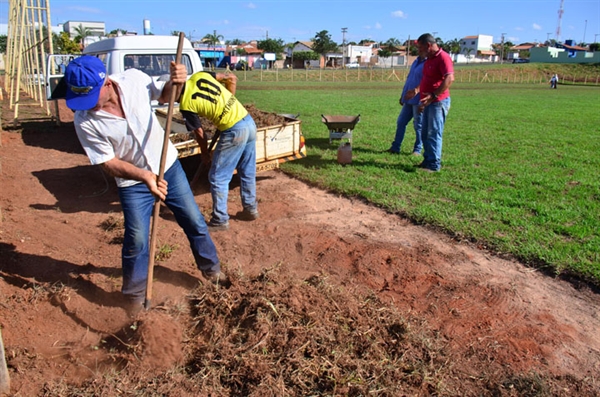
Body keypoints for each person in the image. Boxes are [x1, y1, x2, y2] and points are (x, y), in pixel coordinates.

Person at [64, 55, 222, 313]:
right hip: (131, 182)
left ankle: (212, 271)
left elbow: (165, 95)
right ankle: (135, 296)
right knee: (136, 238)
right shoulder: (84, 121)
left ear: (106, 84)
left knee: (194, 220)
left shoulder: (134, 80)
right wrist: (144, 176)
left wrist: (177, 83)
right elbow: (107, 161)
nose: (88, 106)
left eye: (91, 98)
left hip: (167, 166)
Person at [177, 69, 258, 231]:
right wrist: (229, 106)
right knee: (247, 170)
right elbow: (231, 78)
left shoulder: (185, 104)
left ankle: (220, 219)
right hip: (248, 121)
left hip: (234, 130)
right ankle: (250, 209)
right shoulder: (200, 75)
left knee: (218, 176)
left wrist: (205, 153)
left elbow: (200, 134)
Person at [416, 33, 454, 172]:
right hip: (428, 102)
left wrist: (433, 95)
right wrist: (423, 100)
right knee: (425, 132)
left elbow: (449, 78)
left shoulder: (443, 57)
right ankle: (427, 160)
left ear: (428, 45)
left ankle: (434, 165)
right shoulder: (428, 60)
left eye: (420, 48)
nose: (418, 51)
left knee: (434, 132)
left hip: (438, 102)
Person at [386, 45, 427, 155]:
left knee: (418, 125)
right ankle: (395, 147)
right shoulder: (416, 61)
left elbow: (427, 81)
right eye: (418, 48)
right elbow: (409, 79)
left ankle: (417, 149)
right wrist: (403, 95)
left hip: (419, 99)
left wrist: (417, 91)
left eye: (420, 48)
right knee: (401, 122)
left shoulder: (428, 63)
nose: (418, 50)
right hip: (408, 99)